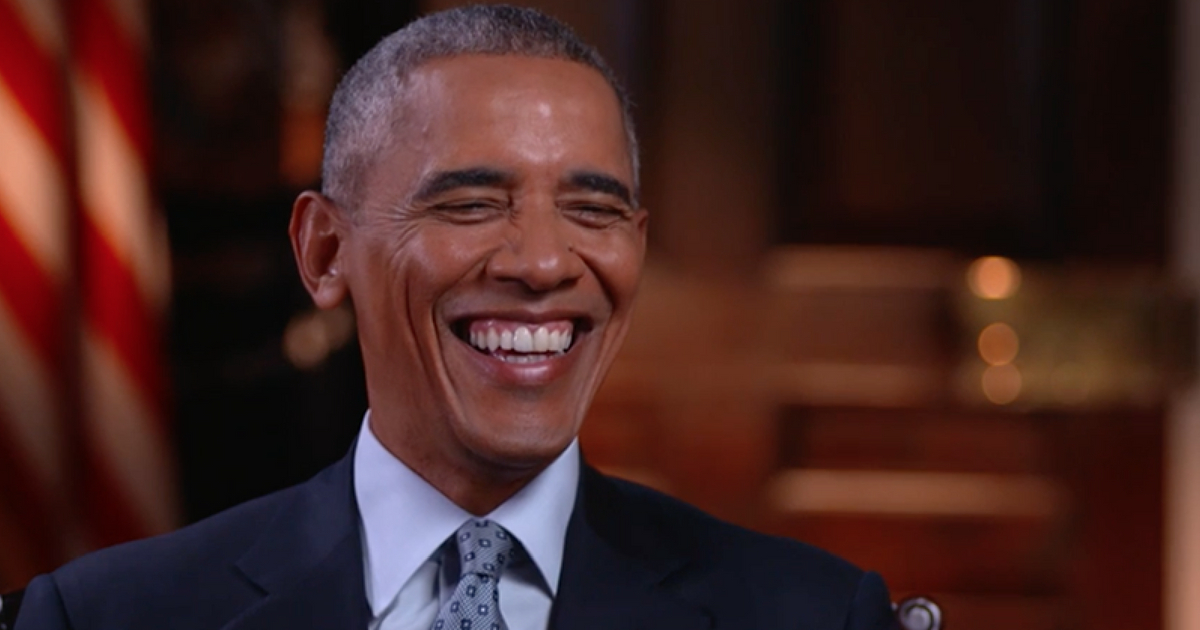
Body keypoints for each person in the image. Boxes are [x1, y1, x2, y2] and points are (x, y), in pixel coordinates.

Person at [16, 5, 899, 629]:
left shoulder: (817, 614)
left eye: (592, 212)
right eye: (473, 204)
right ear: (325, 252)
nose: (546, 263)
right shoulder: (108, 615)